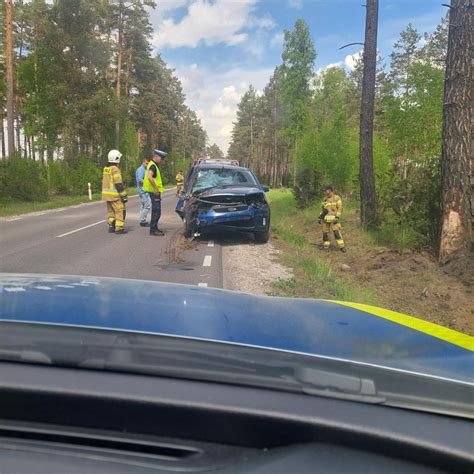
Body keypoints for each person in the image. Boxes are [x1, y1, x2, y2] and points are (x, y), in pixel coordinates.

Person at [101, 149, 128, 234]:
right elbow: (118, 183)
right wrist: (124, 195)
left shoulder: (106, 168)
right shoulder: (115, 169)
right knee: (119, 210)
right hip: (115, 195)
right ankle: (119, 228)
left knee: (111, 211)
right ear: (116, 159)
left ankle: (111, 226)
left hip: (107, 195)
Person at [143, 149, 167, 236]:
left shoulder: (152, 165)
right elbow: (150, 177)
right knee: (156, 211)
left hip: (153, 192)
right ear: (156, 156)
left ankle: (155, 228)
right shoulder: (153, 166)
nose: (162, 160)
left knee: (157, 211)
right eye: (161, 158)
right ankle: (153, 230)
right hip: (154, 192)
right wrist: (156, 189)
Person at [318, 185, 346, 252]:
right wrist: (319, 217)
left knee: (337, 233)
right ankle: (326, 247)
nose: (325, 192)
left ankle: (342, 247)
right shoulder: (325, 199)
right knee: (325, 233)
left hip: (334, 219)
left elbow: (340, 208)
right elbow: (322, 210)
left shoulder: (337, 198)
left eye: (325, 191)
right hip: (325, 219)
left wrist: (337, 217)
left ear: (329, 190)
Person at [136, 158, 151, 226]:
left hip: (145, 190)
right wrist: (147, 183)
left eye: (148, 163)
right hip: (143, 191)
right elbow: (140, 180)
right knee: (147, 205)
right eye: (146, 163)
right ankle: (143, 221)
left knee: (143, 205)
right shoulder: (141, 169)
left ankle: (142, 219)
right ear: (143, 162)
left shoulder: (145, 169)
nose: (147, 164)